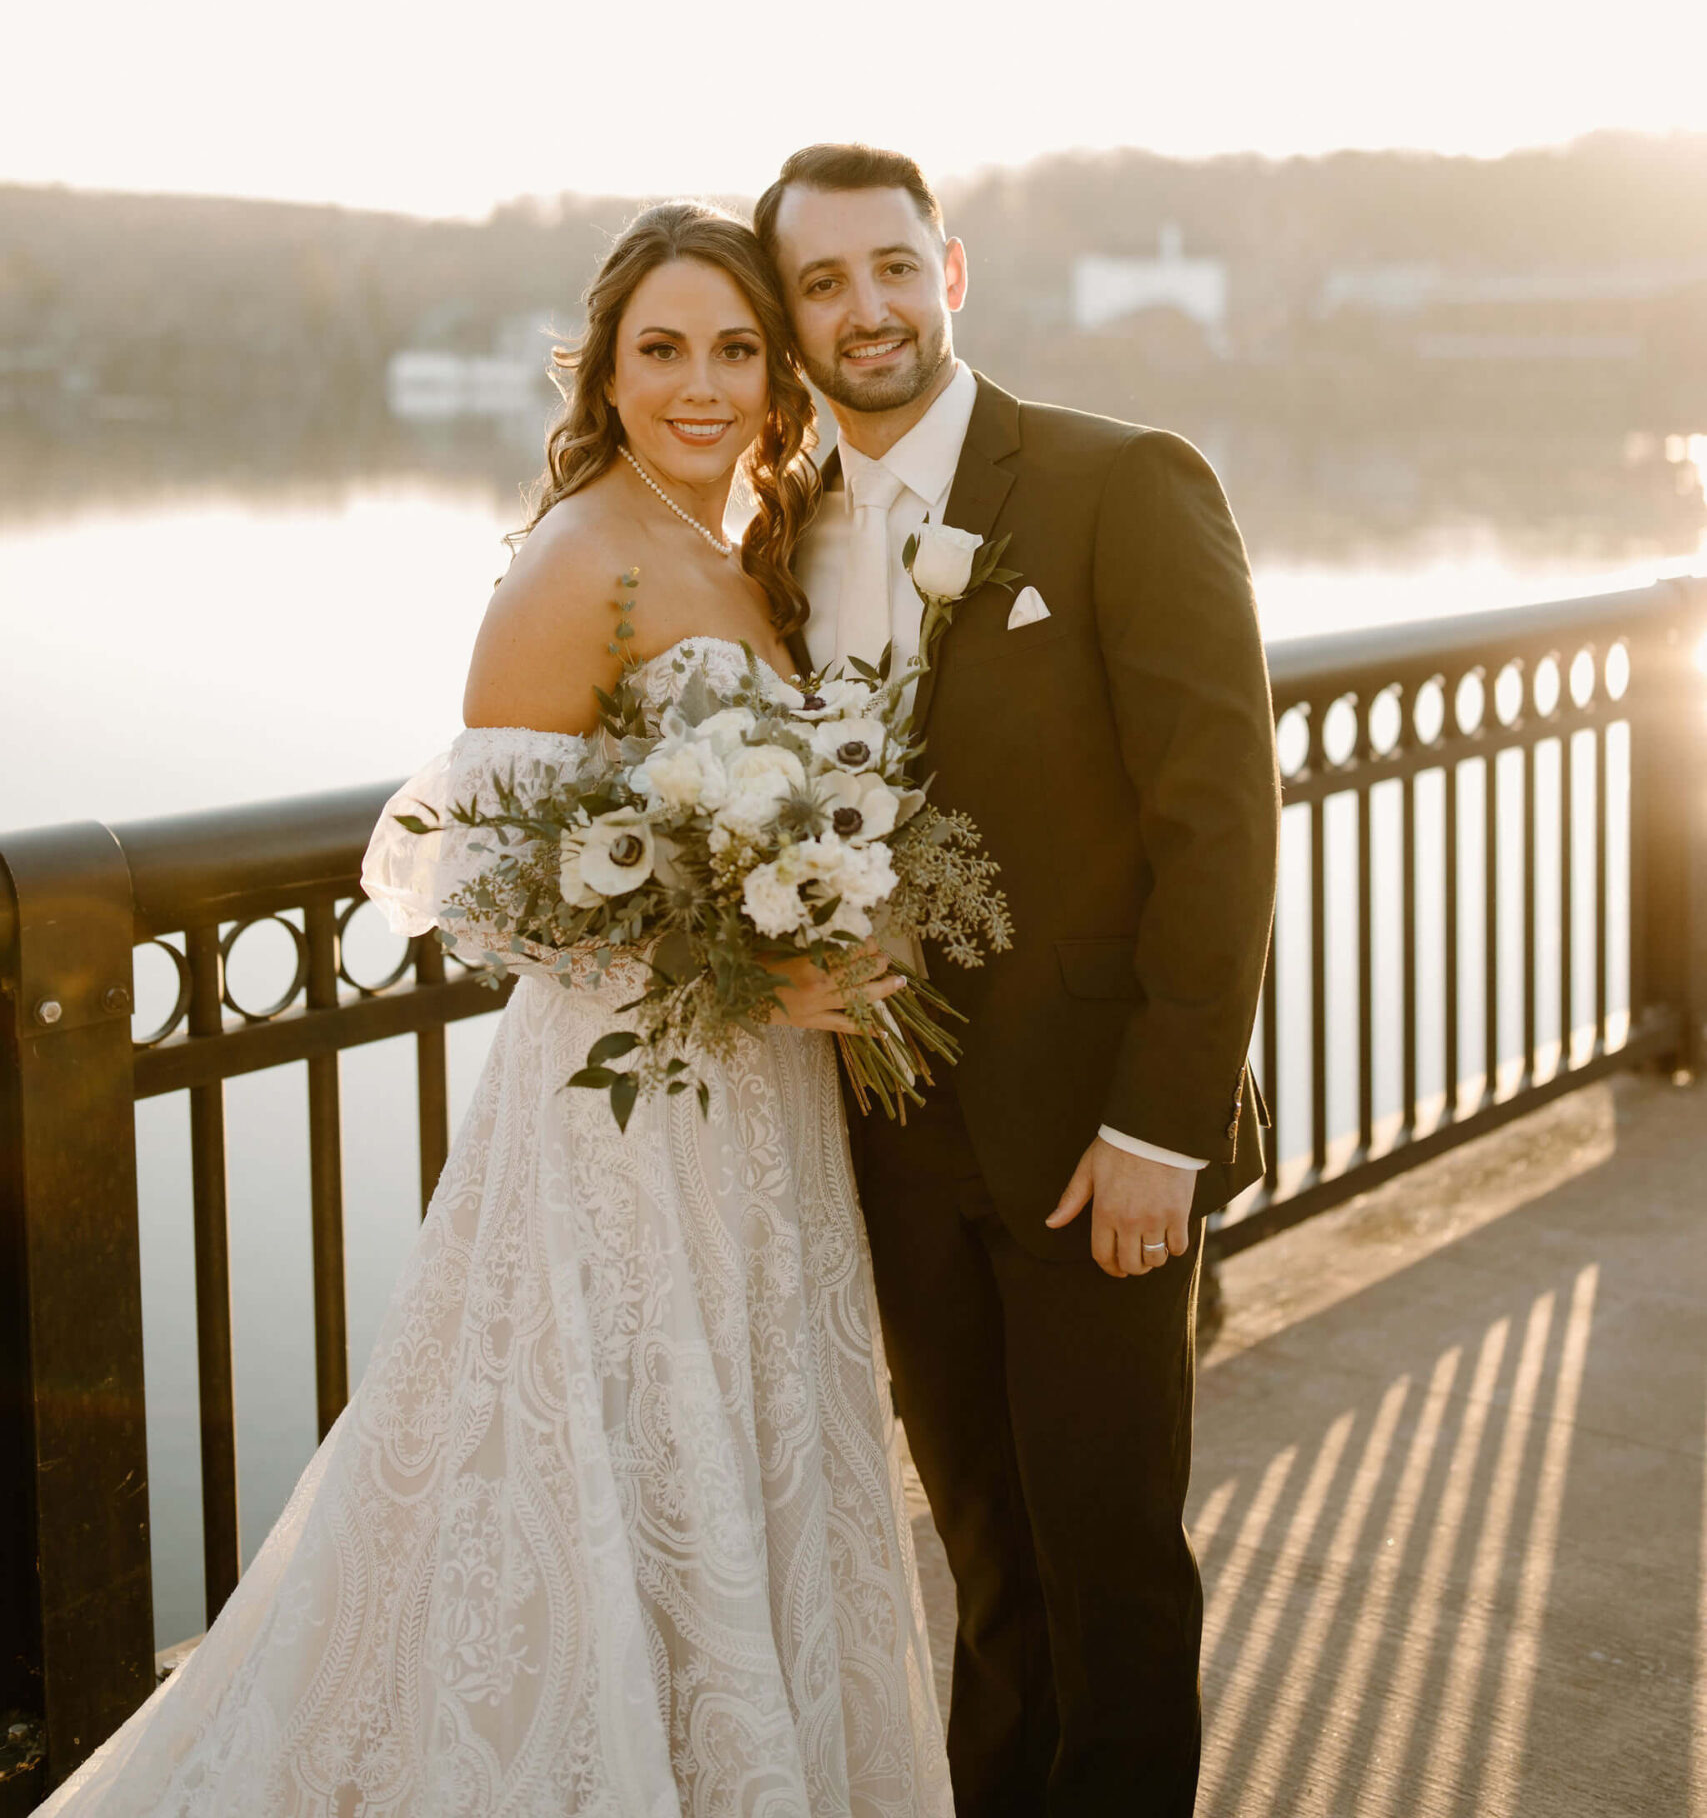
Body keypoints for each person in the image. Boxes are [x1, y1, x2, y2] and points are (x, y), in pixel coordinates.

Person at [38, 202, 951, 1818]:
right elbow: (497, 883)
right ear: (603, 367)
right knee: (594, 1458)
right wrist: (749, 959)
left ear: (776, 368)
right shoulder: (578, 556)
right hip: (628, 1114)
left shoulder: (738, 542)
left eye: (735, 349)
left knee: (735, 1453)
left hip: (759, 1107)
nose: (702, 383)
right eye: (661, 348)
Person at [755, 143, 1280, 1818]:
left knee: (1112, 1575)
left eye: (893, 267)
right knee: (987, 1574)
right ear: (789, 320)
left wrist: (1163, 1130)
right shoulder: (781, 541)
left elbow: (1223, 829)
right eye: (824, 283)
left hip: (1093, 1148)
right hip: (896, 1151)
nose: (868, 309)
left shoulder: (1121, 482)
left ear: (953, 272)